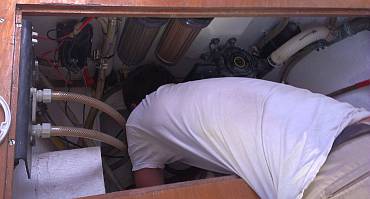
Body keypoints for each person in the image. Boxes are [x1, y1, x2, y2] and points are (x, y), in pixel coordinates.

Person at [124, 77, 370, 199]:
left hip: (322, 173)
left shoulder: (137, 119)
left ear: (134, 103)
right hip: (355, 128)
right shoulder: (205, 88)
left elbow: (151, 192)